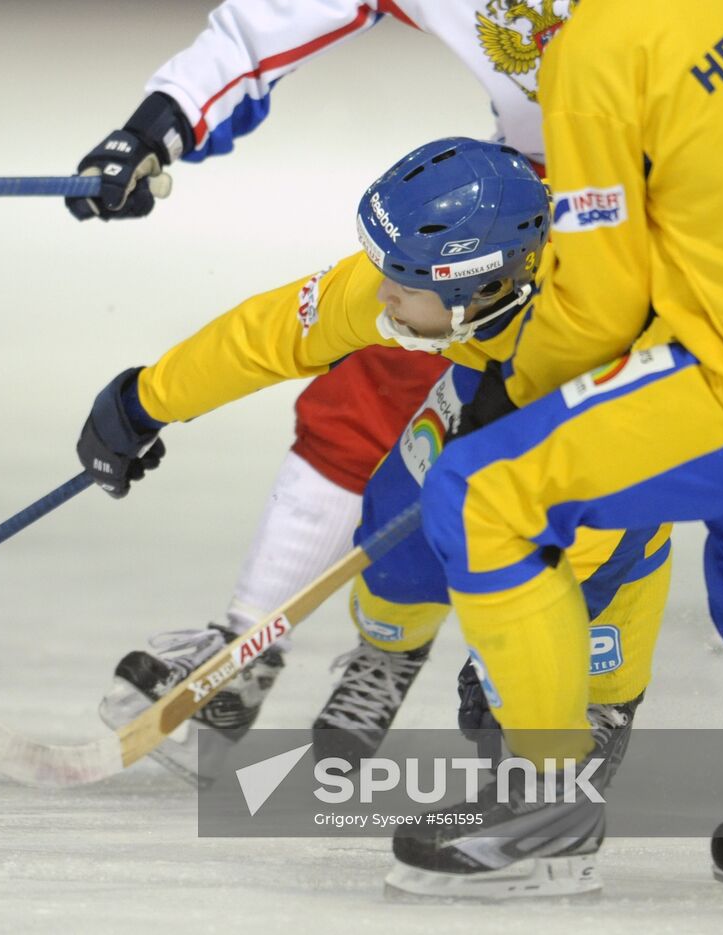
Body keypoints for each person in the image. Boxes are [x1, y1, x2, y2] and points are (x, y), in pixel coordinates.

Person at [78, 137, 671, 896]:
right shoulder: (446, 278)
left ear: (480, 291)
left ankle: (581, 748)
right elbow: (276, 332)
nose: (382, 293)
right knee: (400, 507)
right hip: (490, 405)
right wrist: (144, 400)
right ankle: (389, 649)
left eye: (406, 282)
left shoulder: (615, 327)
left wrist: (518, 660)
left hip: (606, 476)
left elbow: (589, 543)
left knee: (533, 665)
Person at [375, 0, 723, 895]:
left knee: (483, 495)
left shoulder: (598, 48)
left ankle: (547, 802)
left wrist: (508, 395)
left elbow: (597, 294)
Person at [67, 0, 582, 781]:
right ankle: (249, 644)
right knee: (381, 383)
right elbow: (281, 16)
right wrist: (158, 123)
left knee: (617, 447)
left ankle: (570, 689)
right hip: (527, 202)